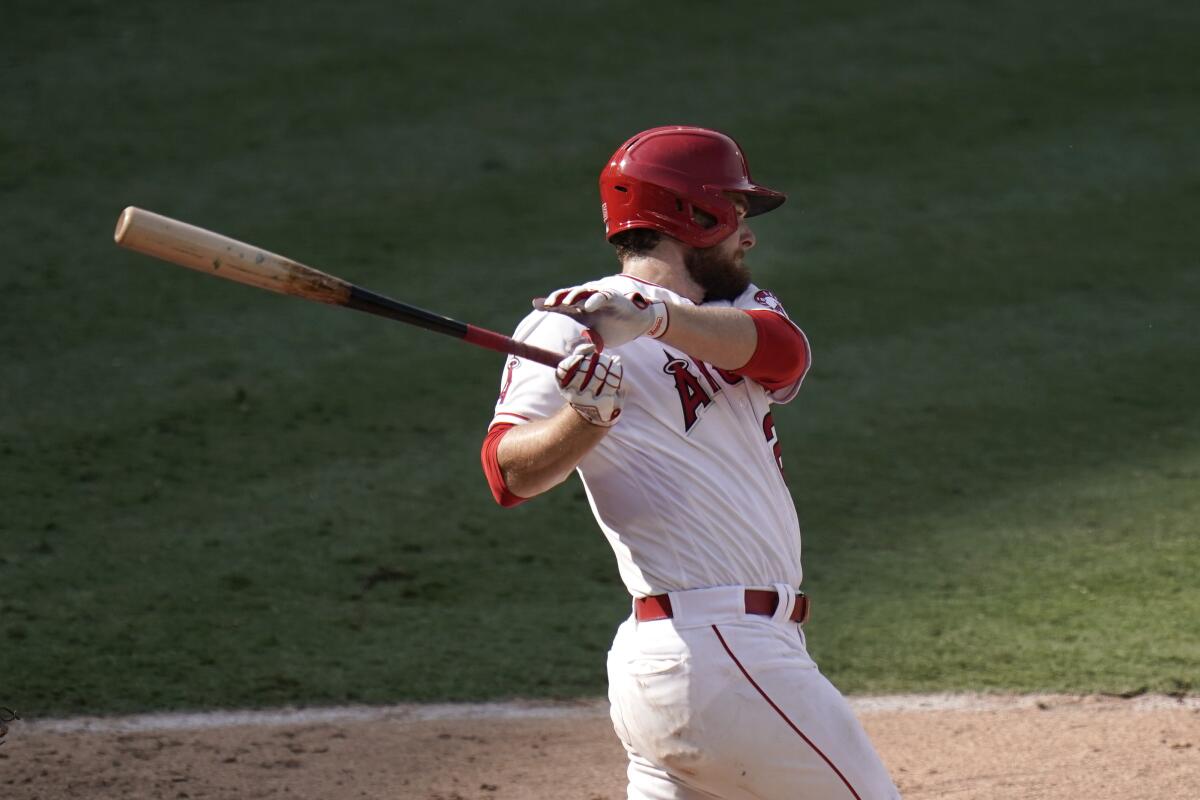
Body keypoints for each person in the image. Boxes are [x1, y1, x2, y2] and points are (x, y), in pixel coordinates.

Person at [481, 126, 900, 800]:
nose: (748, 234)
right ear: (693, 216)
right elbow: (510, 475)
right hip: (715, 651)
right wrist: (584, 419)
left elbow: (783, 355)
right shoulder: (565, 327)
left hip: (708, 662)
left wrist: (652, 320)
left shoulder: (739, 309)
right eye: (736, 213)